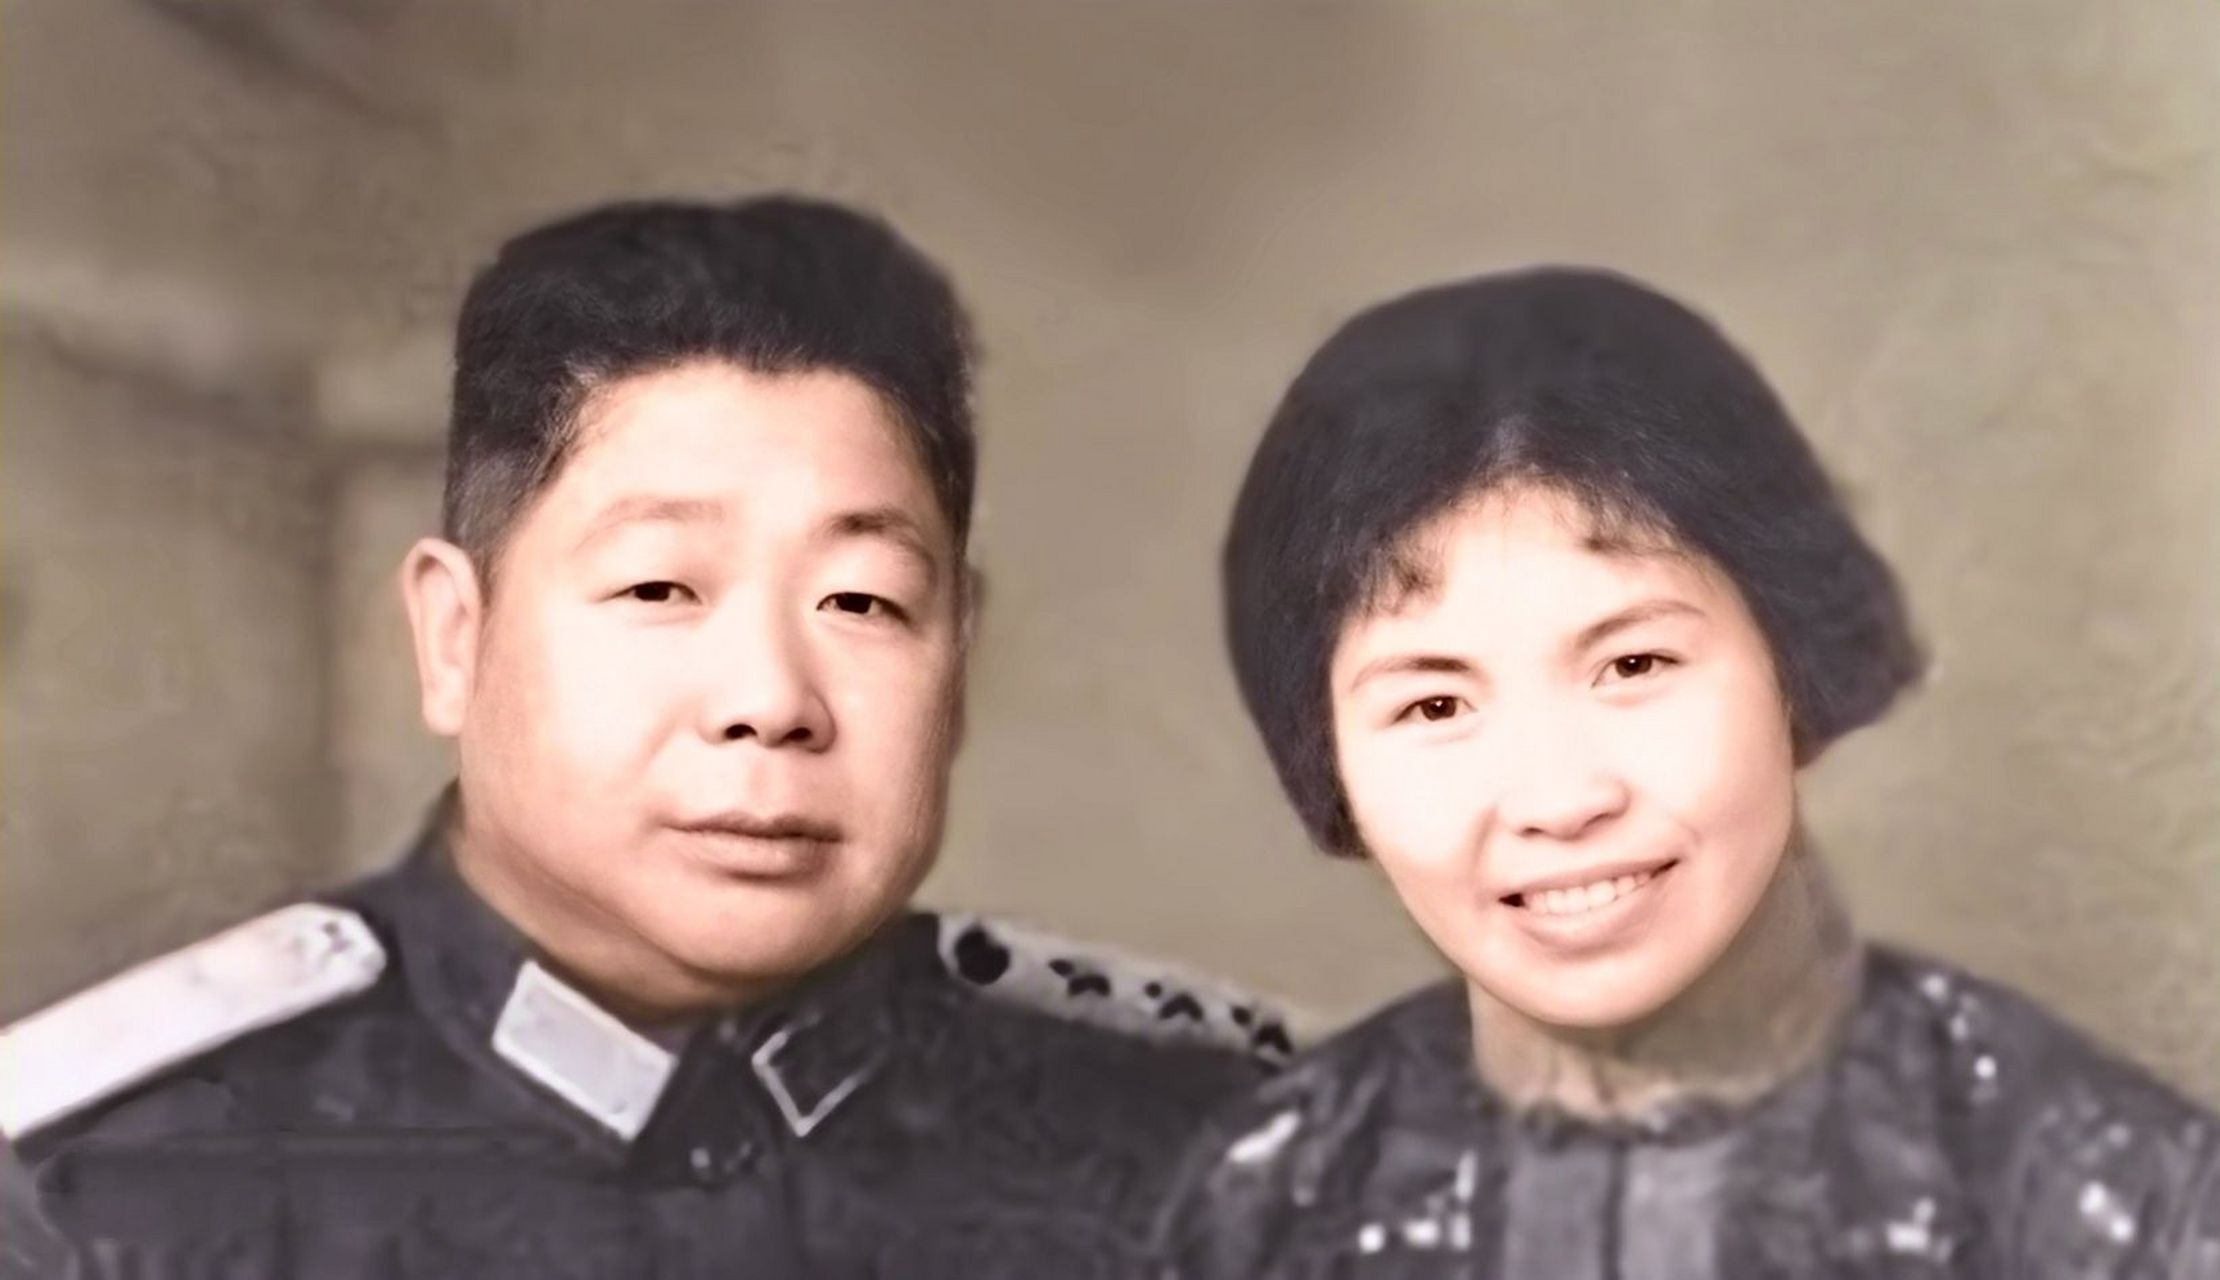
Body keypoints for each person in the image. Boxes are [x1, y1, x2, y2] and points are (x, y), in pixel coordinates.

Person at [1, 195, 1289, 1278]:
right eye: (660, 586)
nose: (770, 699)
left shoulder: (1226, 1164)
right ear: (455, 635)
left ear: (959, 657)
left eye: (863, 601)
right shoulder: (95, 1190)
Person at [1153, 267, 2220, 1277]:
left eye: (1634, 664)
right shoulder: (1269, 1200)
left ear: (1794, 662)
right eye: (1434, 705)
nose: (1559, 799)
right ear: (1329, 753)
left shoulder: (2125, 1204)